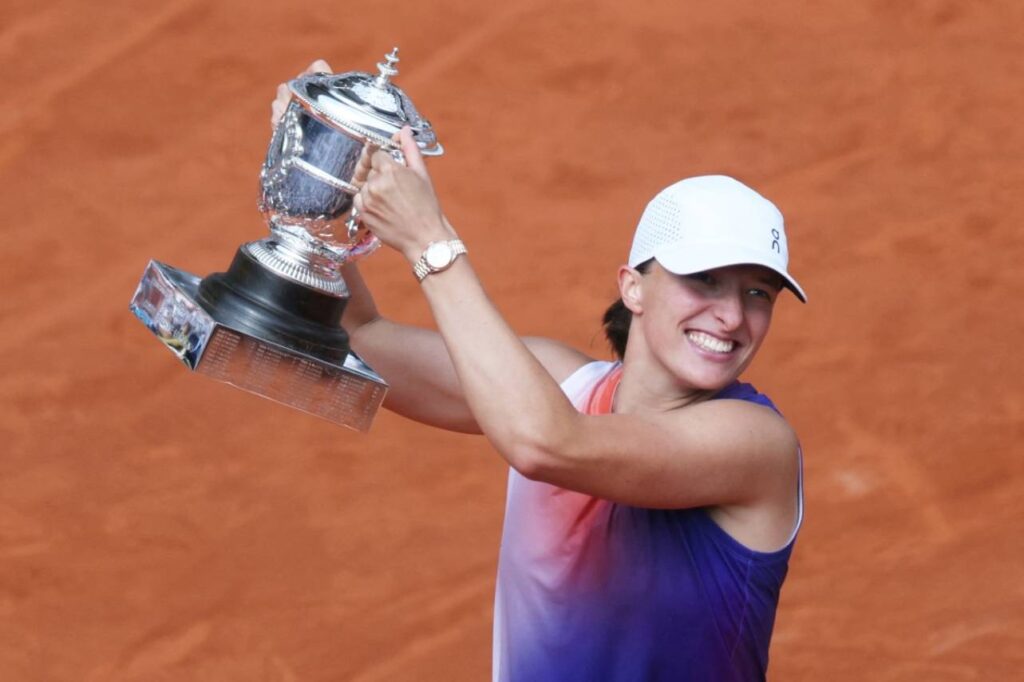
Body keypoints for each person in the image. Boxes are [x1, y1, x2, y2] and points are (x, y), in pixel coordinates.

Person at [274, 63, 807, 682]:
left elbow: (547, 443)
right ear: (633, 288)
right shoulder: (561, 386)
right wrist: (312, 169)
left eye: (759, 294)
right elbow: (357, 338)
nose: (731, 315)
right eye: (704, 281)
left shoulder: (755, 446)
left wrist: (430, 243)